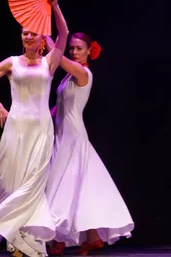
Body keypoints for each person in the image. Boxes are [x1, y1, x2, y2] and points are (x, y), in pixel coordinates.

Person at [0, 0, 69, 257]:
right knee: (6, 184)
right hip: (15, 129)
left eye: (32, 32)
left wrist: (56, 6)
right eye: (24, 32)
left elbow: (63, 35)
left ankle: (24, 242)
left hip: (40, 130)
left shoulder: (49, 62)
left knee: (32, 184)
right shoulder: (11, 63)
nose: (27, 36)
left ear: (42, 37)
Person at [44, 33, 134, 256]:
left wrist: (48, 38)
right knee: (80, 188)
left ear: (88, 52)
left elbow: (58, 57)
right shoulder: (67, 77)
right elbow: (59, 106)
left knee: (61, 184)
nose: (74, 52)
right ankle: (92, 238)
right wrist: (43, 118)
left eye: (78, 49)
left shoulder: (82, 72)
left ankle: (58, 238)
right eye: (72, 48)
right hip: (62, 134)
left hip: (73, 136)